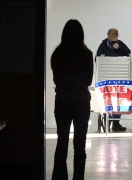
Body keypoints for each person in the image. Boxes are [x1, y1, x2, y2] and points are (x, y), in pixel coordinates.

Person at [51, 19, 93, 180]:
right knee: (80, 146)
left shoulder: (58, 54)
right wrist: (77, 82)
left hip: (62, 102)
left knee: (61, 143)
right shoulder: (87, 54)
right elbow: (87, 81)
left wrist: (67, 83)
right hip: (81, 103)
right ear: (81, 34)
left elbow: (57, 79)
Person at [96, 28, 131, 132]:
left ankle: (115, 124)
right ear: (107, 34)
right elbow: (97, 58)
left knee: (118, 101)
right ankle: (107, 123)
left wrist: (119, 48)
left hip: (120, 77)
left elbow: (128, 52)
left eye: (116, 33)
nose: (114, 34)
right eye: (112, 33)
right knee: (106, 100)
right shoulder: (103, 45)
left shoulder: (120, 43)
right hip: (106, 78)